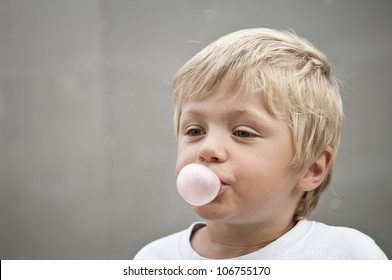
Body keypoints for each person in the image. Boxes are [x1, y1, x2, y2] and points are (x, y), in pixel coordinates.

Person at [134, 28, 387, 259]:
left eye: (242, 133)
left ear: (311, 168)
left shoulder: (346, 256)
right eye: (195, 130)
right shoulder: (155, 259)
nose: (207, 148)